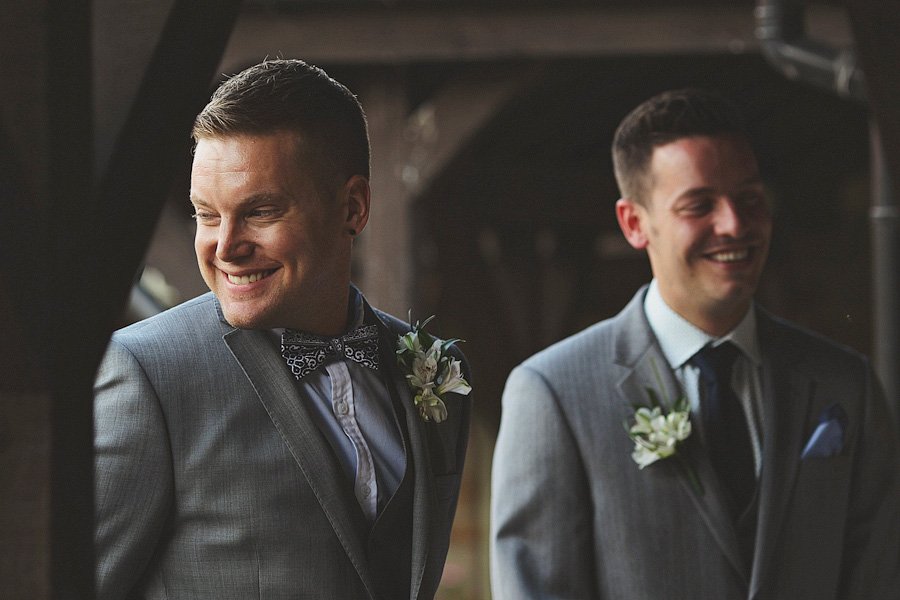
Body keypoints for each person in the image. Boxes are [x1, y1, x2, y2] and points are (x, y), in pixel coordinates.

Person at [490, 88, 900, 599]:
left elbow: (879, 579)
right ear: (635, 224)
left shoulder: (844, 383)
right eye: (699, 204)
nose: (734, 225)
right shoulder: (552, 393)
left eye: (750, 199)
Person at [94, 58, 472, 600]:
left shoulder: (437, 371)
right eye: (206, 215)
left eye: (261, 211)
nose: (225, 247)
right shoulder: (147, 376)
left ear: (353, 207)